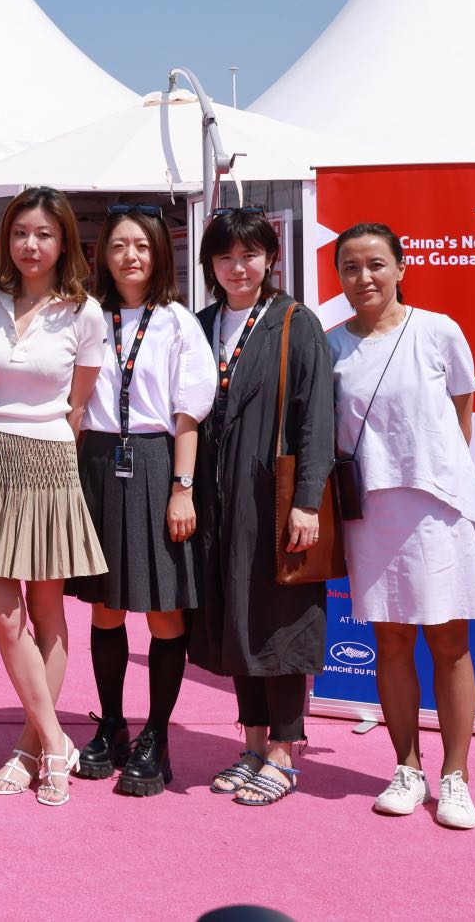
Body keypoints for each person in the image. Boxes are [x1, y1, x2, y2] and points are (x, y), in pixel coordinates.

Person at [0, 187, 109, 807]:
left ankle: (28, 747)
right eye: (20, 233)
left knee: (46, 611)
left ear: (63, 242)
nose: (30, 244)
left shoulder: (84, 313)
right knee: (1, 613)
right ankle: (57, 740)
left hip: (50, 460)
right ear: (4, 239)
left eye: (43, 234)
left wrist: (52, 462)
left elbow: (78, 407)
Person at [330, 222, 475, 831]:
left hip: (436, 508)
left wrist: (433, 476)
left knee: (449, 643)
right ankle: (407, 767)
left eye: (376, 264)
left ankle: (456, 776)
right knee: (392, 642)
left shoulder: (438, 330)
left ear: (401, 267)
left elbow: (461, 415)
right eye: (350, 267)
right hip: (371, 512)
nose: (364, 277)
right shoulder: (331, 346)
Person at [187, 207, 335, 808]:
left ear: (270, 258)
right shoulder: (199, 325)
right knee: (236, 617)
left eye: (249, 255)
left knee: (281, 617)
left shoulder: (296, 323)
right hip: (214, 497)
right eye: (225, 256)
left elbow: (315, 417)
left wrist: (307, 502)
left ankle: (283, 752)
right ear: (210, 264)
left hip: (271, 496)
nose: (237, 267)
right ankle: (251, 744)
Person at [68, 204, 217, 797]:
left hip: (156, 464)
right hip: (97, 462)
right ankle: (112, 725)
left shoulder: (178, 322)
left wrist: (182, 489)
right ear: (102, 255)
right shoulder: (86, 314)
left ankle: (157, 735)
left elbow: (189, 414)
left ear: (159, 254)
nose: (130, 256)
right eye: (118, 245)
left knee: (162, 610)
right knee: (105, 607)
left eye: (142, 246)